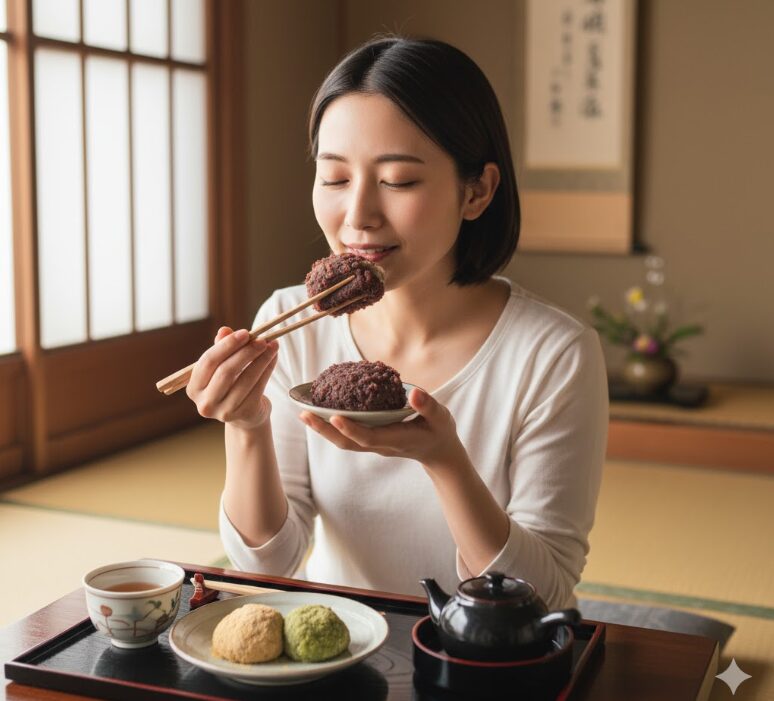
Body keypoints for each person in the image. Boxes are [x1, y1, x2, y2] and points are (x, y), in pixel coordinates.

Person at [186, 36, 608, 609]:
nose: (358, 214)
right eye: (335, 178)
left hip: (490, 661)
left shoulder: (553, 354)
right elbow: (267, 561)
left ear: (477, 191)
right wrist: (247, 424)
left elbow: (543, 594)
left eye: (399, 181)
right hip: (341, 647)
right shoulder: (294, 327)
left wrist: (445, 461)